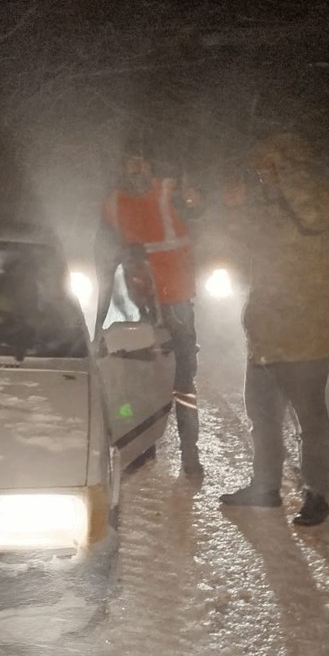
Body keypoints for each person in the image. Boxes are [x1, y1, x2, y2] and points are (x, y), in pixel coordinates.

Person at [218, 131, 329, 526]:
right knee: (263, 416)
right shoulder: (272, 210)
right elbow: (242, 244)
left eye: (267, 171)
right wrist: (234, 209)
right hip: (266, 334)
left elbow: (312, 214)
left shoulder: (324, 198)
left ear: (289, 167)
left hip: (305, 335)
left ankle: (318, 493)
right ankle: (265, 487)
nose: (263, 180)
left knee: (311, 421)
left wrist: (285, 174)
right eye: (261, 173)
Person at [93, 136, 204, 476]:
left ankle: (189, 451)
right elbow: (102, 251)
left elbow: (200, 215)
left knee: (182, 378)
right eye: (130, 161)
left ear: (152, 165)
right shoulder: (113, 202)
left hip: (175, 300)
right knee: (135, 376)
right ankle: (141, 447)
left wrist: (195, 199)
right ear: (121, 167)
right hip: (137, 303)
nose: (136, 167)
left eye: (141, 161)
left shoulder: (171, 192)